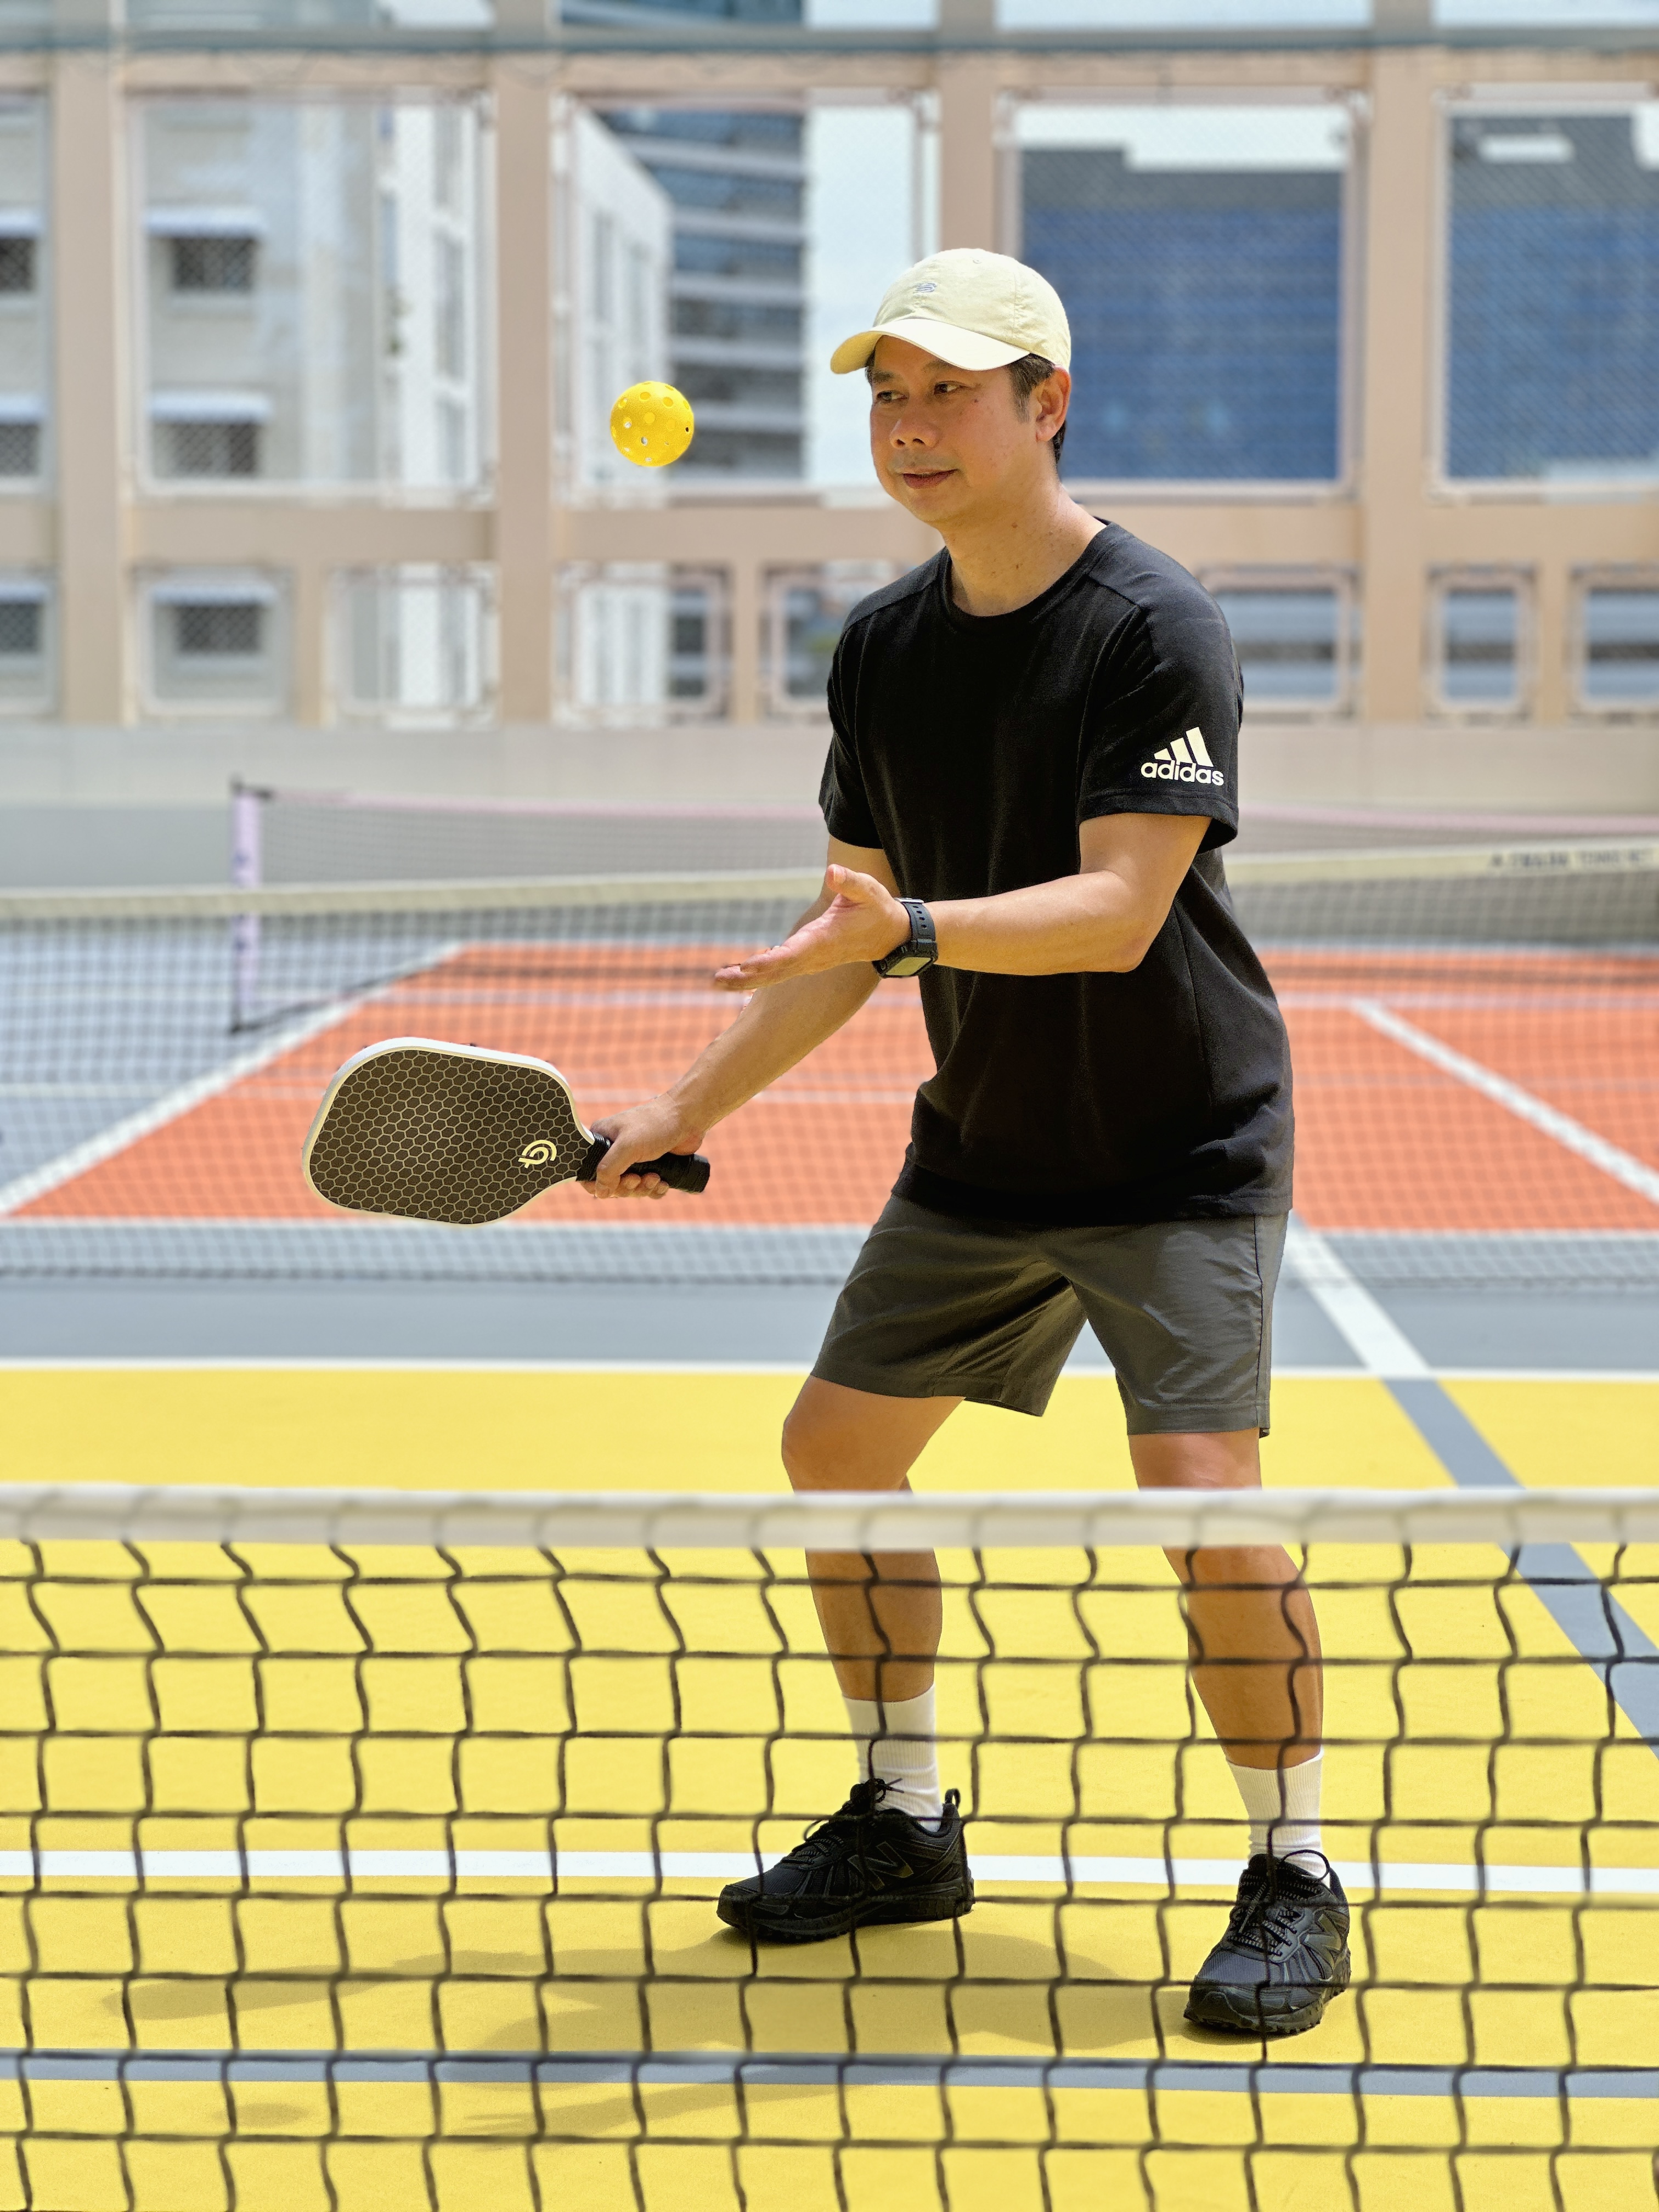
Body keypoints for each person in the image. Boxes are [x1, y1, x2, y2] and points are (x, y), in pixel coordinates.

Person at [586, 248, 1350, 2038]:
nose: (911, 427)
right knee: (836, 1453)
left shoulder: (1152, 626)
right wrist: (681, 1107)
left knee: (1205, 1503)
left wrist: (912, 933)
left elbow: (1119, 910)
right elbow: (847, 938)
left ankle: (1296, 1871)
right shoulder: (883, 649)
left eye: (948, 393)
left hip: (1179, 1145)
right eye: (888, 396)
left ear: (1045, 405)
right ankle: (905, 1820)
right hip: (984, 1146)